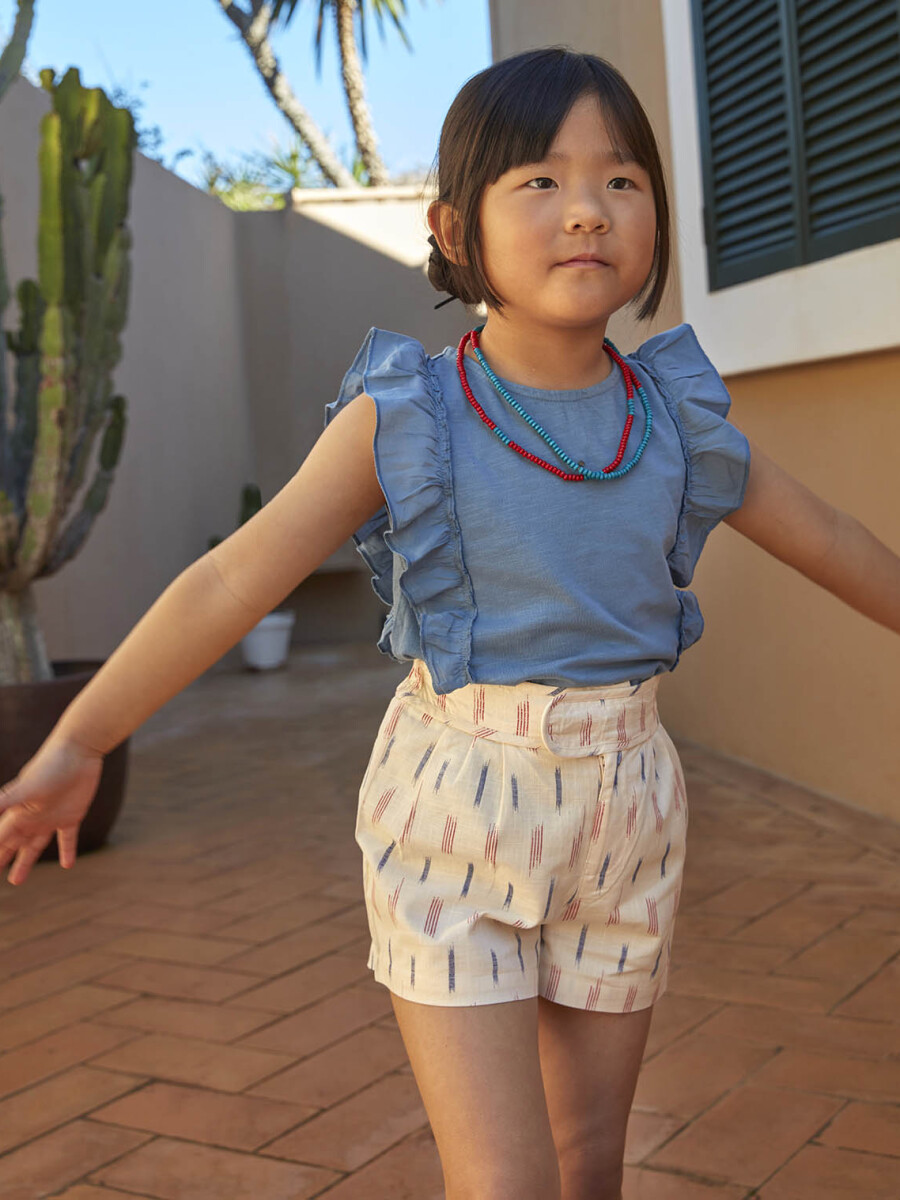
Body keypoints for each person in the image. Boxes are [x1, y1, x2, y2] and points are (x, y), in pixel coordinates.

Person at [0, 46, 897, 1200]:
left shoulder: (679, 425)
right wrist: (81, 736)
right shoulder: (405, 420)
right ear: (454, 227)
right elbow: (230, 583)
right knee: (505, 1182)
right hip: (453, 815)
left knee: (589, 1166)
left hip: (629, 813)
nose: (587, 209)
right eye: (538, 180)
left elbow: (830, 539)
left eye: (622, 180)